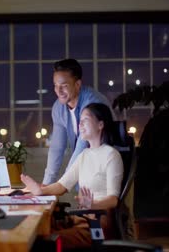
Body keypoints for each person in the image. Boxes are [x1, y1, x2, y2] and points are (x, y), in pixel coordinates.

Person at [22, 103, 123, 249]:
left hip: (97, 226)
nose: (80, 124)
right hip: (80, 217)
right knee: (35, 232)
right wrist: (40, 190)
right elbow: (62, 185)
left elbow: (113, 200)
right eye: (79, 120)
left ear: (100, 124)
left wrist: (93, 205)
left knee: (44, 243)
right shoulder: (84, 155)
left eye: (85, 120)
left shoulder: (111, 155)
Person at [43, 58, 112, 185]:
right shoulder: (58, 107)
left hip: (105, 171)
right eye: (55, 85)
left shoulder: (93, 104)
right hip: (86, 173)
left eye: (64, 86)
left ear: (77, 85)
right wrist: (46, 185)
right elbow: (57, 148)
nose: (58, 91)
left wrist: (61, 185)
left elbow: (82, 146)